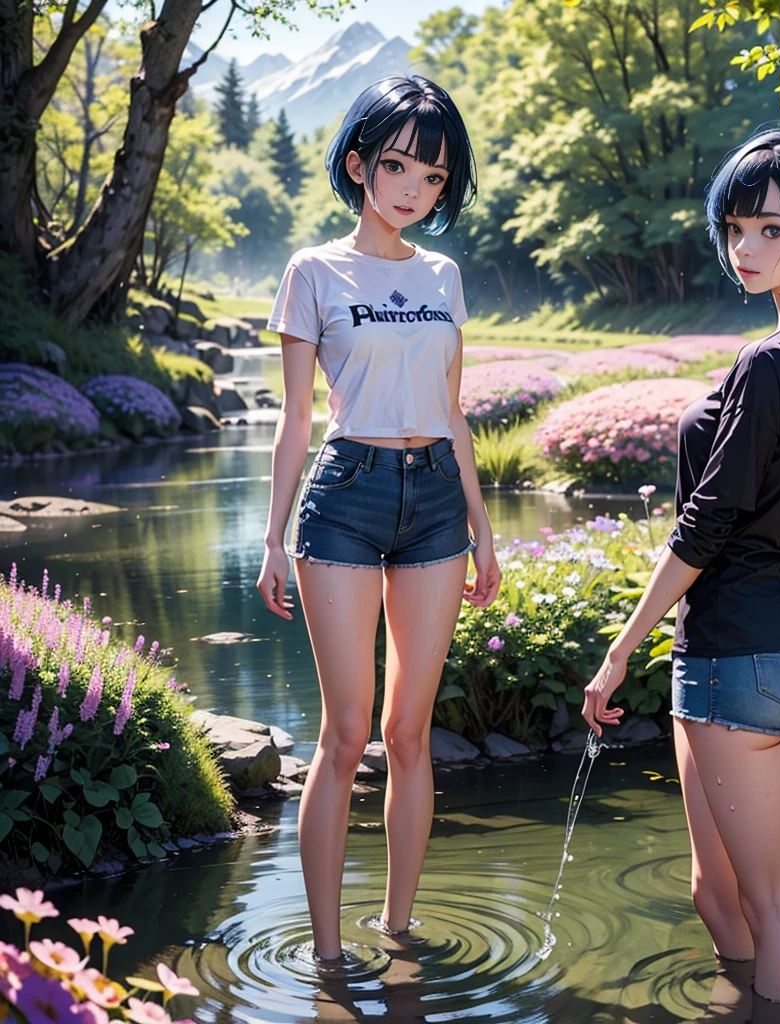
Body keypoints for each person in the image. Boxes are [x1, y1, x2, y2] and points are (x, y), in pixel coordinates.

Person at [582, 127, 780, 1015]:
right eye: (736, 229)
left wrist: (620, 650)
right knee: (737, 893)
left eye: (770, 231)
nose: (744, 249)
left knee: (774, 904)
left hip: (732, 656)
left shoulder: (766, 361)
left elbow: (704, 525)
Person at [257, 75, 501, 965]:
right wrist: (273, 537)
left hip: (436, 497)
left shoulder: (443, 275)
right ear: (358, 163)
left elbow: (452, 404)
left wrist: (482, 525)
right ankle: (326, 955)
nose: (412, 188)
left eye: (433, 177)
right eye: (396, 165)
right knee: (345, 731)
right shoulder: (313, 271)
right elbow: (294, 420)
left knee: (408, 732)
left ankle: (397, 933)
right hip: (347, 496)